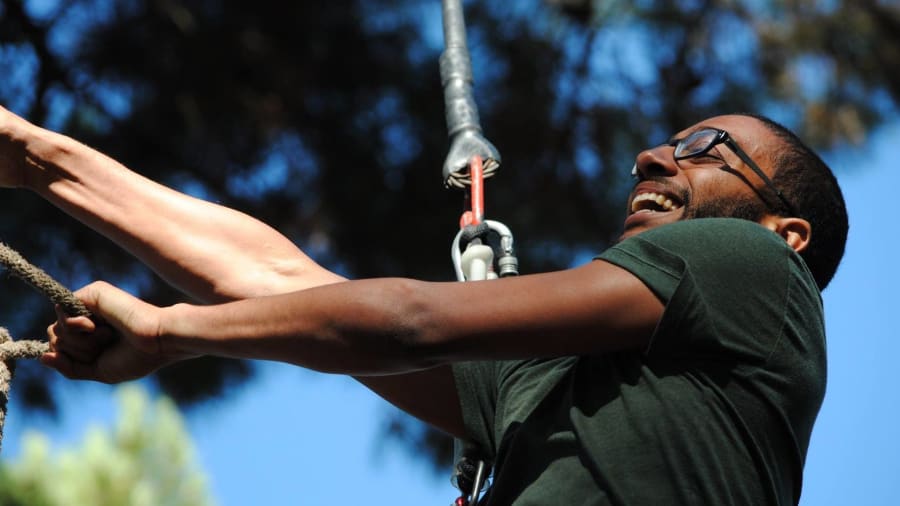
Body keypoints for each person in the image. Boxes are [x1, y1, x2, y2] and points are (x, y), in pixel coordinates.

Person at [0, 105, 847, 505]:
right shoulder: (555, 387)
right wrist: (40, 159)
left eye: (704, 148)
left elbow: (414, 321)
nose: (653, 156)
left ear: (789, 231)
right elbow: (289, 287)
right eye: (664, 145)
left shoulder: (756, 265)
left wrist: (169, 330)